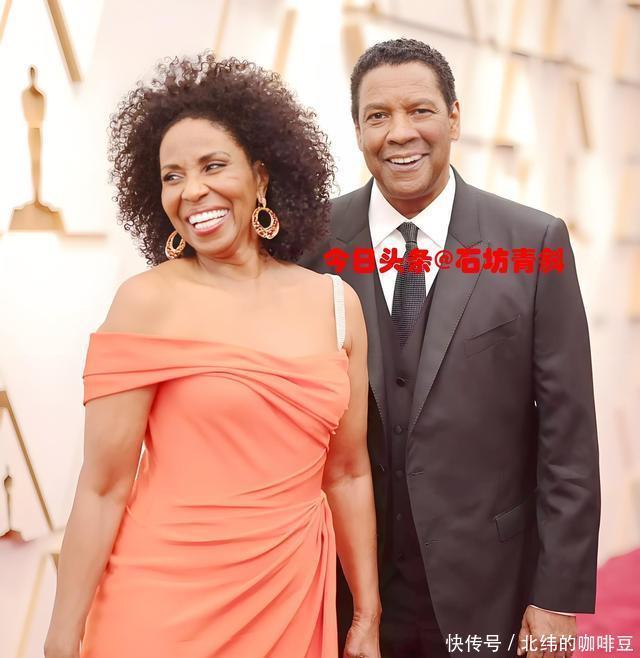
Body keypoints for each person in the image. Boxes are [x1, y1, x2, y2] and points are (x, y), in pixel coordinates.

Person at [44, 54, 381, 658]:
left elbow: (348, 473)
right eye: (172, 176)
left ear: (261, 176)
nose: (192, 190)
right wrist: (62, 637)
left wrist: (367, 612)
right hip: (162, 604)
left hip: (289, 595)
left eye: (213, 165)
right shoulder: (146, 302)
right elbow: (102, 488)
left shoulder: (335, 304)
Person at [301, 38, 600, 658]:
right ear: (357, 130)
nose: (400, 133)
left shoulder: (533, 241)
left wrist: (556, 596)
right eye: (378, 116)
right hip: (348, 592)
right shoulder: (314, 245)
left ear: (455, 118)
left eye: (420, 110)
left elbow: (568, 436)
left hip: (490, 587)